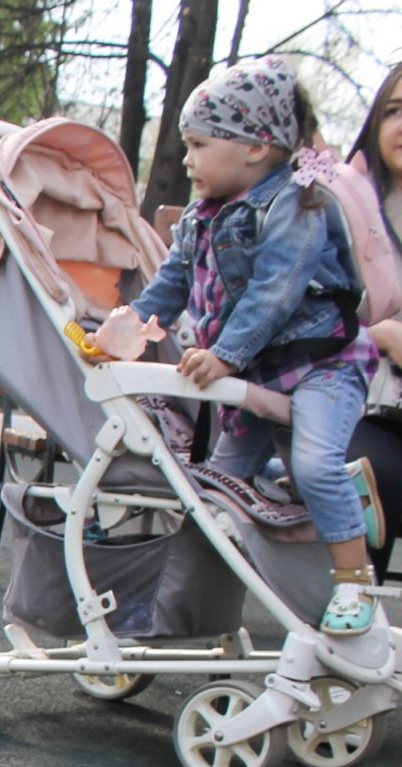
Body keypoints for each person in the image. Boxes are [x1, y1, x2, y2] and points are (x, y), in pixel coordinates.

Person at [97, 57, 385, 637]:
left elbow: (275, 292)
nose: (187, 159)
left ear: (255, 147)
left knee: (312, 460)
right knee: (221, 482)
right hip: (255, 374)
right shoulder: (201, 218)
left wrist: (225, 354)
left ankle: (355, 583)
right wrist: (121, 333)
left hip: (320, 366)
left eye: (199, 145)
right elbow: (169, 285)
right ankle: (334, 487)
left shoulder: (298, 206)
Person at [346, 62, 402, 582]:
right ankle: (355, 626)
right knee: (369, 475)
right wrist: (377, 336)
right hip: (364, 407)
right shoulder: (346, 209)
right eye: (395, 111)